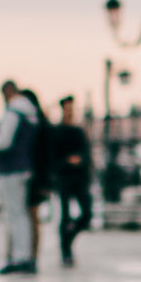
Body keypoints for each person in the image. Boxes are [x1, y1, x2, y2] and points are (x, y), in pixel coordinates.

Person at [0, 79, 43, 272]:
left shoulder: (13, 112)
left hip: (12, 168)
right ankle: (23, 256)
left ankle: (20, 257)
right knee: (20, 214)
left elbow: (3, 141)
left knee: (15, 214)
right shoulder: (30, 113)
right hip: (23, 167)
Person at [46, 95, 93, 265]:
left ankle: (68, 238)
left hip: (80, 178)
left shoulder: (79, 130)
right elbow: (52, 157)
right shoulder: (56, 131)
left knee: (87, 214)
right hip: (64, 177)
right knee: (64, 215)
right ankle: (65, 249)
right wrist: (67, 161)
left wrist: (82, 162)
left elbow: (87, 155)